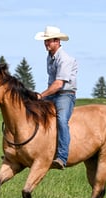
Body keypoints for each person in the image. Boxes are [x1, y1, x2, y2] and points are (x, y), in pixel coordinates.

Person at [35, 26, 78, 170]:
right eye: (45, 41)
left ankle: (62, 157)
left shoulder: (64, 59)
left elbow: (59, 84)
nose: (47, 43)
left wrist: (41, 95)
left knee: (61, 119)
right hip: (52, 94)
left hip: (65, 95)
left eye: (50, 41)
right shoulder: (50, 57)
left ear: (57, 41)